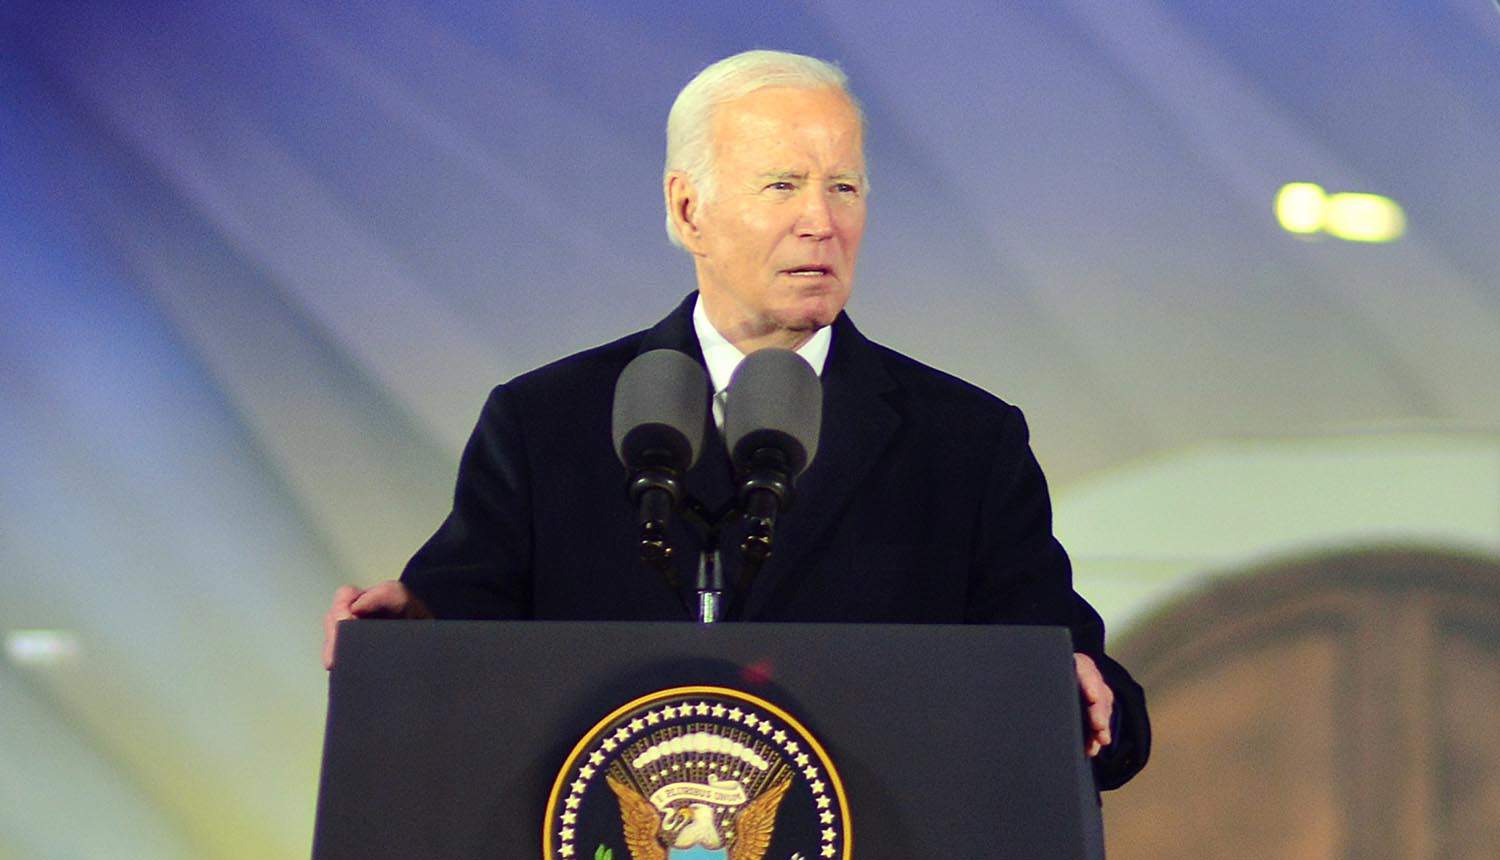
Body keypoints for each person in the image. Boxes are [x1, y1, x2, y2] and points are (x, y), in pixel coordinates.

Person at [322, 49, 1148, 788]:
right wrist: (405, 639)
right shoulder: (546, 424)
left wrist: (1083, 698)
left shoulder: (965, 443)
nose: (821, 220)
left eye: (845, 187)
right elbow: (457, 658)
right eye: (783, 184)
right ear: (687, 212)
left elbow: (1093, 701)